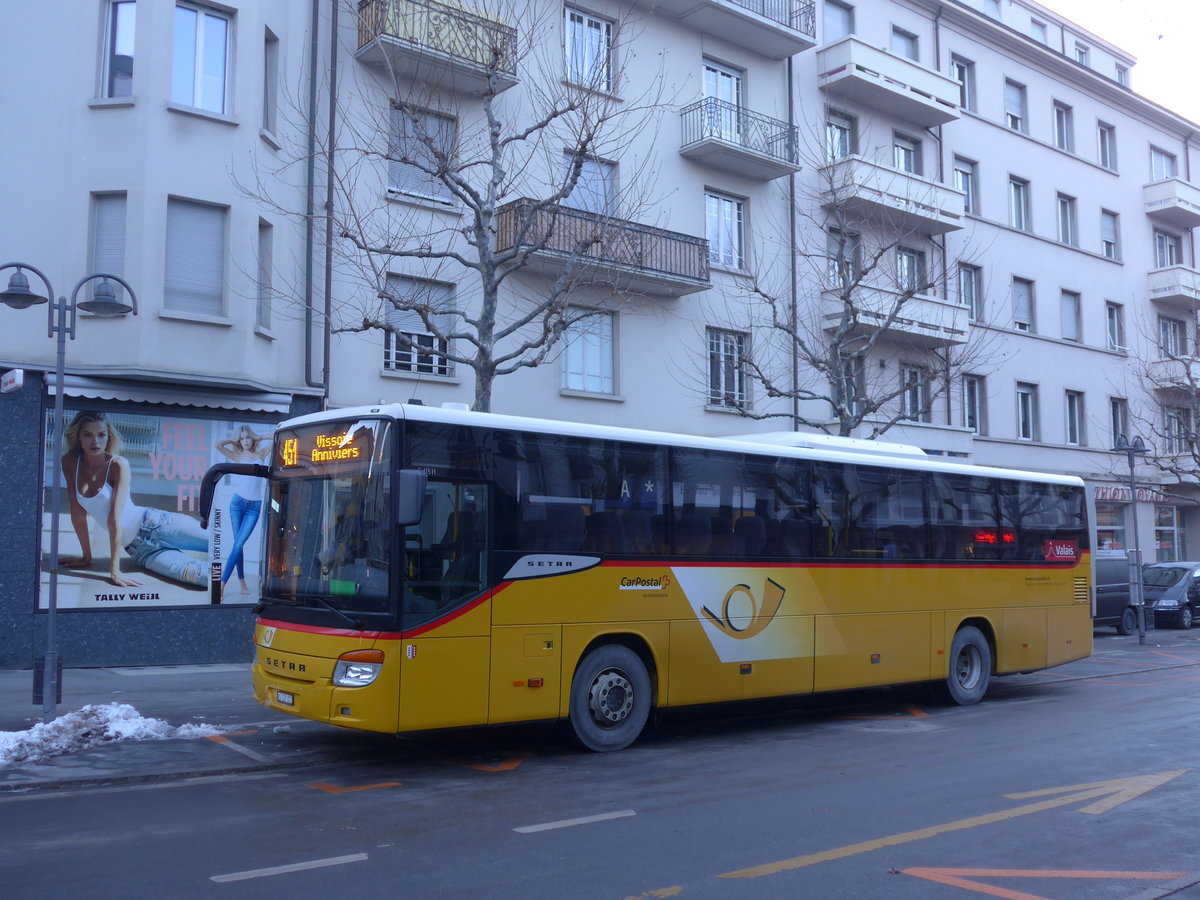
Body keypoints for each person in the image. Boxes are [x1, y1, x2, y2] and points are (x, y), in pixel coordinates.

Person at [60, 411, 208, 589]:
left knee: (226, 545)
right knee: (206, 578)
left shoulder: (118, 464)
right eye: (87, 435)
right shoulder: (69, 462)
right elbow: (77, 513)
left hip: (158, 524)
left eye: (101, 435)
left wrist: (114, 571)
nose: (96, 442)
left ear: (108, 436)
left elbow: (114, 519)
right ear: (78, 437)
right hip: (140, 550)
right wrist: (86, 556)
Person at [214, 425, 270, 595]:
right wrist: (233, 439)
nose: (245, 441)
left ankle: (236, 583)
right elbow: (217, 445)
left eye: (247, 437)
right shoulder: (237, 456)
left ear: (252, 438)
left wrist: (258, 437)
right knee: (238, 544)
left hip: (254, 506)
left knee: (238, 544)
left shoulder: (261, 454)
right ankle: (227, 584)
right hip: (237, 503)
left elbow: (275, 436)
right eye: (242, 438)